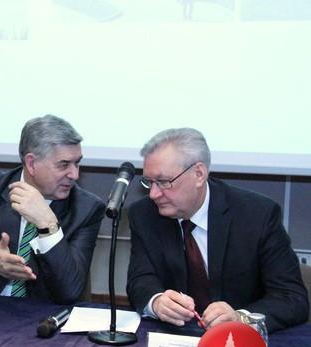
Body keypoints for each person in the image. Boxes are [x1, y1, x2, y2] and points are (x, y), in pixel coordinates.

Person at [127, 127, 309, 332]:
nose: (153, 194)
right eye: (149, 182)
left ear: (199, 174)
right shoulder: (144, 214)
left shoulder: (257, 215)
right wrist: (157, 302)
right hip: (173, 337)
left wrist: (240, 318)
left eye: (163, 182)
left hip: (240, 343)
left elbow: (292, 298)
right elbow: (140, 279)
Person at [0, 115, 105, 304]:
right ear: (31, 163)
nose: (75, 174)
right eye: (64, 165)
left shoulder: (86, 209)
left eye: (77, 163)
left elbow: (70, 292)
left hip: (41, 316)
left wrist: (48, 225)